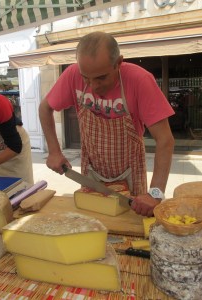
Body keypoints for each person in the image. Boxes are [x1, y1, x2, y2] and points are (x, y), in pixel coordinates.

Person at [39, 31, 175, 217]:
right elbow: (45, 108)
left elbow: (165, 140)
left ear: (118, 63)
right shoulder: (72, 75)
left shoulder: (139, 80)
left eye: (101, 78)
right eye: (86, 77)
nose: (93, 86)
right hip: (91, 172)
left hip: (130, 173)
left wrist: (155, 193)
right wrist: (54, 151)